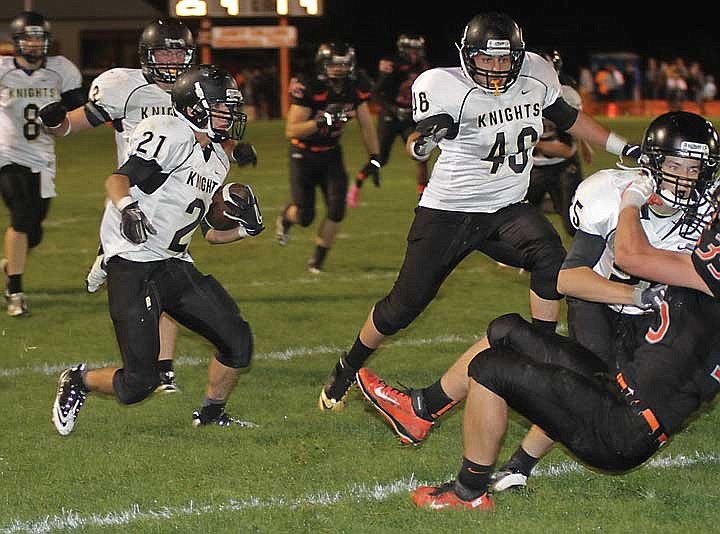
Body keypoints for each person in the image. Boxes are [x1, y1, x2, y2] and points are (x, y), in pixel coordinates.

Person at [318, 12, 640, 412]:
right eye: (486, 59)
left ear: (520, 57)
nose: (495, 68)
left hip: (505, 209)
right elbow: (417, 142)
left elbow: (570, 119)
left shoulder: (537, 75)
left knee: (550, 257)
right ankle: (349, 364)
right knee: (403, 307)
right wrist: (423, 143)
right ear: (467, 55)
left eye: (504, 60)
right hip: (448, 213)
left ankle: (539, 355)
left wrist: (625, 147)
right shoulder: (444, 86)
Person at [355, 110, 716, 450]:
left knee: (576, 389)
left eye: (694, 167)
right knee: (555, 370)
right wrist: (635, 294)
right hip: (605, 308)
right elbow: (570, 280)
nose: (684, 177)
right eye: (674, 165)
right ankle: (426, 411)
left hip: (660, 331)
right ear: (653, 164)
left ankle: (439, 423)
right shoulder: (615, 194)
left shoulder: (710, 214)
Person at [410, 133, 720, 510]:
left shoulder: (709, 270)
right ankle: (421, 410)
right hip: (618, 388)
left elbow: (631, 255)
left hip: (626, 426)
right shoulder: (701, 266)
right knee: (508, 329)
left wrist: (632, 199)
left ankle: (469, 492)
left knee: (489, 368)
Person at [39, 18, 257, 392]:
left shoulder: (199, 92)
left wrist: (236, 153)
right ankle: (113, 268)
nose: (171, 59)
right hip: (141, 191)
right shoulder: (124, 88)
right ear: (147, 55)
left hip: (184, 189)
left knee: (175, 260)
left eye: (178, 51)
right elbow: (77, 125)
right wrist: (56, 124)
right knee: (153, 267)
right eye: (164, 51)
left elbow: (212, 137)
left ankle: (163, 368)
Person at [0, 11, 84, 316]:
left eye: (39, 38)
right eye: (28, 38)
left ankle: (11, 266)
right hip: (7, 154)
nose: (34, 44)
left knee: (33, 231)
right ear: (17, 42)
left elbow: (79, 108)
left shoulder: (61, 69)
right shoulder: (3, 69)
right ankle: (15, 291)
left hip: (43, 156)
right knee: (21, 215)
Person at [275, 42, 380, 273]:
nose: (339, 69)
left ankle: (317, 262)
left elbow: (366, 124)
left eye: (343, 64)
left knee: (337, 209)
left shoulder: (356, 86)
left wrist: (374, 156)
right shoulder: (310, 85)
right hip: (302, 153)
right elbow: (292, 130)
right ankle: (286, 217)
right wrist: (322, 121)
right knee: (305, 216)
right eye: (334, 64)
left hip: (331, 152)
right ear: (322, 64)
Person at [346, 33, 430, 207]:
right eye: (410, 50)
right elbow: (376, 93)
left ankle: (422, 196)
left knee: (421, 153)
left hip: (410, 117)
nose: (414, 54)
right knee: (380, 159)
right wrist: (394, 108)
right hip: (390, 117)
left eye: (417, 50)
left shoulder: (424, 67)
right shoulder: (393, 65)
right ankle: (357, 185)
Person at [525, 49, 593, 236]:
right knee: (519, 219)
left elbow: (565, 150)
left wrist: (528, 143)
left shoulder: (565, 94)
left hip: (562, 166)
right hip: (533, 166)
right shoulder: (517, 94)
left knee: (573, 222)